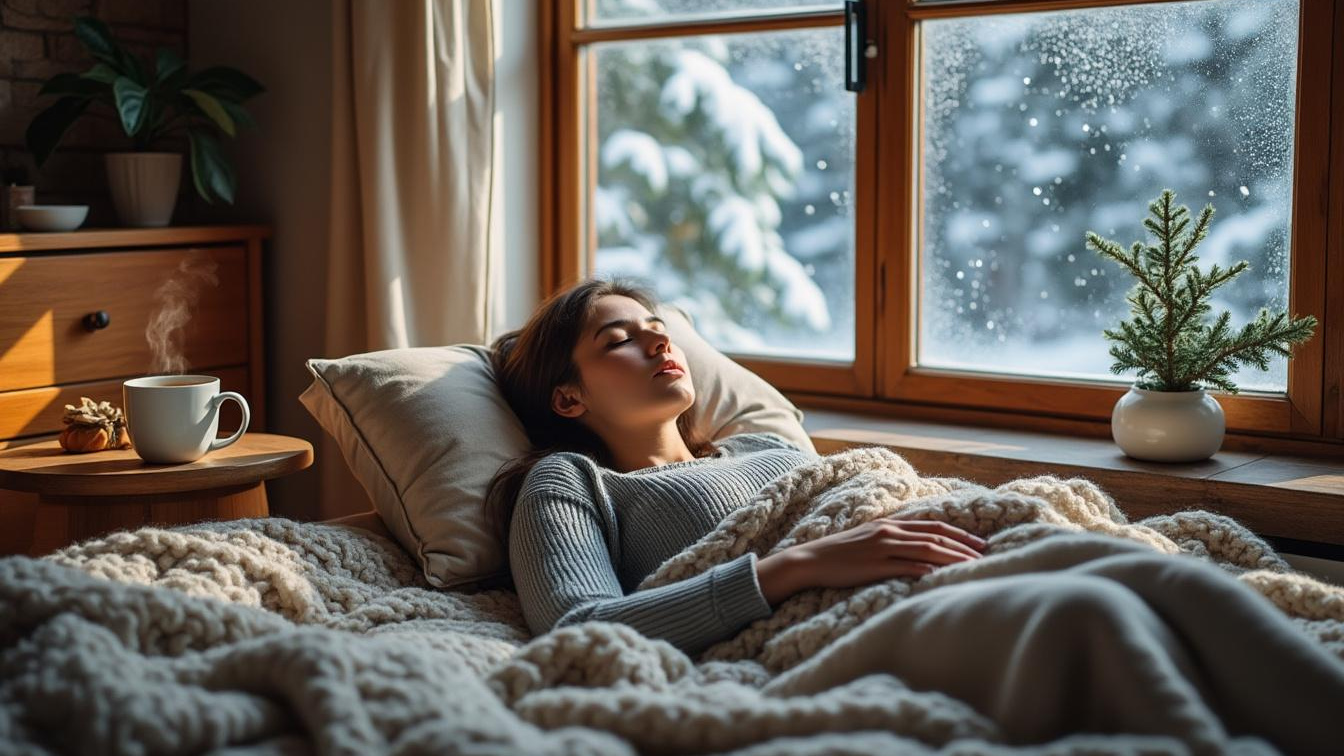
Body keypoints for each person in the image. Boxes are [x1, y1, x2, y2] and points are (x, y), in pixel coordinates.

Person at [485, 276, 1344, 753]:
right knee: (1092, 609)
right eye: (618, 340)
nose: (659, 340)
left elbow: (872, 495)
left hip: (948, 553)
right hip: (825, 623)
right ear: (567, 395)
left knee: (1151, 577)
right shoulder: (568, 483)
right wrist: (796, 567)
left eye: (655, 325)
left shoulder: (755, 453)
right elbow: (579, 627)